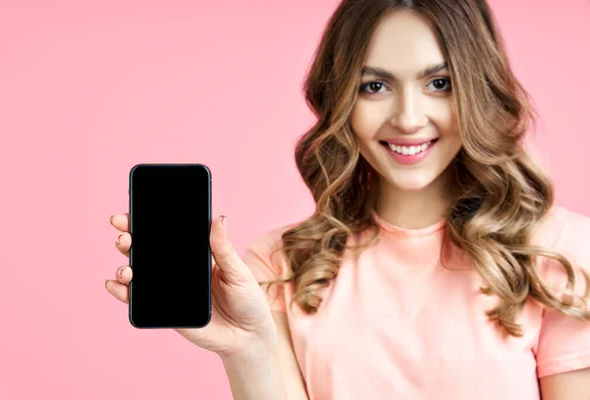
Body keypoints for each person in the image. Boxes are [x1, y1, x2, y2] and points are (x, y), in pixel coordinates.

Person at [105, 0, 590, 398]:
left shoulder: (561, 254)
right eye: (374, 86)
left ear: (478, 89)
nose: (407, 117)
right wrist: (246, 350)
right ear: (340, 98)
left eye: (438, 84)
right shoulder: (279, 264)